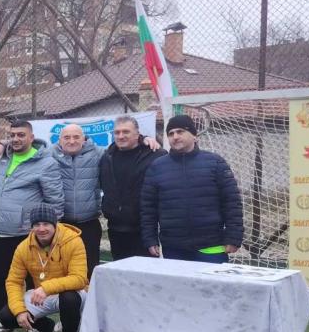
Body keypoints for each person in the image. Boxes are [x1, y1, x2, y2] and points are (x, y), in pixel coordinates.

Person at [0, 120, 63, 332]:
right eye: (12, 135)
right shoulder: (1, 157)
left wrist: (48, 233)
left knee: (33, 282)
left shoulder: (46, 163)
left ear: (31, 137)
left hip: (27, 234)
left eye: (21, 135)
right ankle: (4, 321)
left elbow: (55, 201)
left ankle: (35, 325)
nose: (16, 139)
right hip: (0, 231)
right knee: (1, 279)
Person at [141, 114, 243, 263]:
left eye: (180, 131)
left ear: (194, 136)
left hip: (211, 246)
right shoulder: (157, 167)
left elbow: (232, 202)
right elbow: (148, 208)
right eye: (171, 133)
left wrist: (234, 236)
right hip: (173, 247)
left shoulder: (215, 163)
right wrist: (150, 239)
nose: (175, 137)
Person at [0, 205, 88, 332]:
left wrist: (46, 288)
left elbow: (79, 279)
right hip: (42, 294)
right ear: (32, 227)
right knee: (7, 316)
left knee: (69, 298)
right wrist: (20, 311)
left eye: (46, 224)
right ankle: (45, 327)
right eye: (37, 224)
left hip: (72, 292)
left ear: (55, 224)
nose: (41, 229)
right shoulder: (23, 247)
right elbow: (14, 281)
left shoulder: (73, 241)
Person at [98, 116, 167, 260]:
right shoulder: (107, 157)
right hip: (116, 229)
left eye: (126, 132)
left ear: (137, 134)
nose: (121, 136)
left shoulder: (155, 155)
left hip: (145, 230)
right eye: (117, 132)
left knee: (146, 271)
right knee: (120, 270)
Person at [49, 124, 103, 278]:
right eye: (67, 137)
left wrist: (145, 139)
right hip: (61, 224)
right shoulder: (49, 155)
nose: (71, 141)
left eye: (76, 137)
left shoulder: (98, 153)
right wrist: (0, 145)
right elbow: (24, 147)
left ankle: (89, 294)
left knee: (89, 269)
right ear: (60, 140)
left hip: (89, 223)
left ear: (84, 139)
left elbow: (121, 149)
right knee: (60, 270)